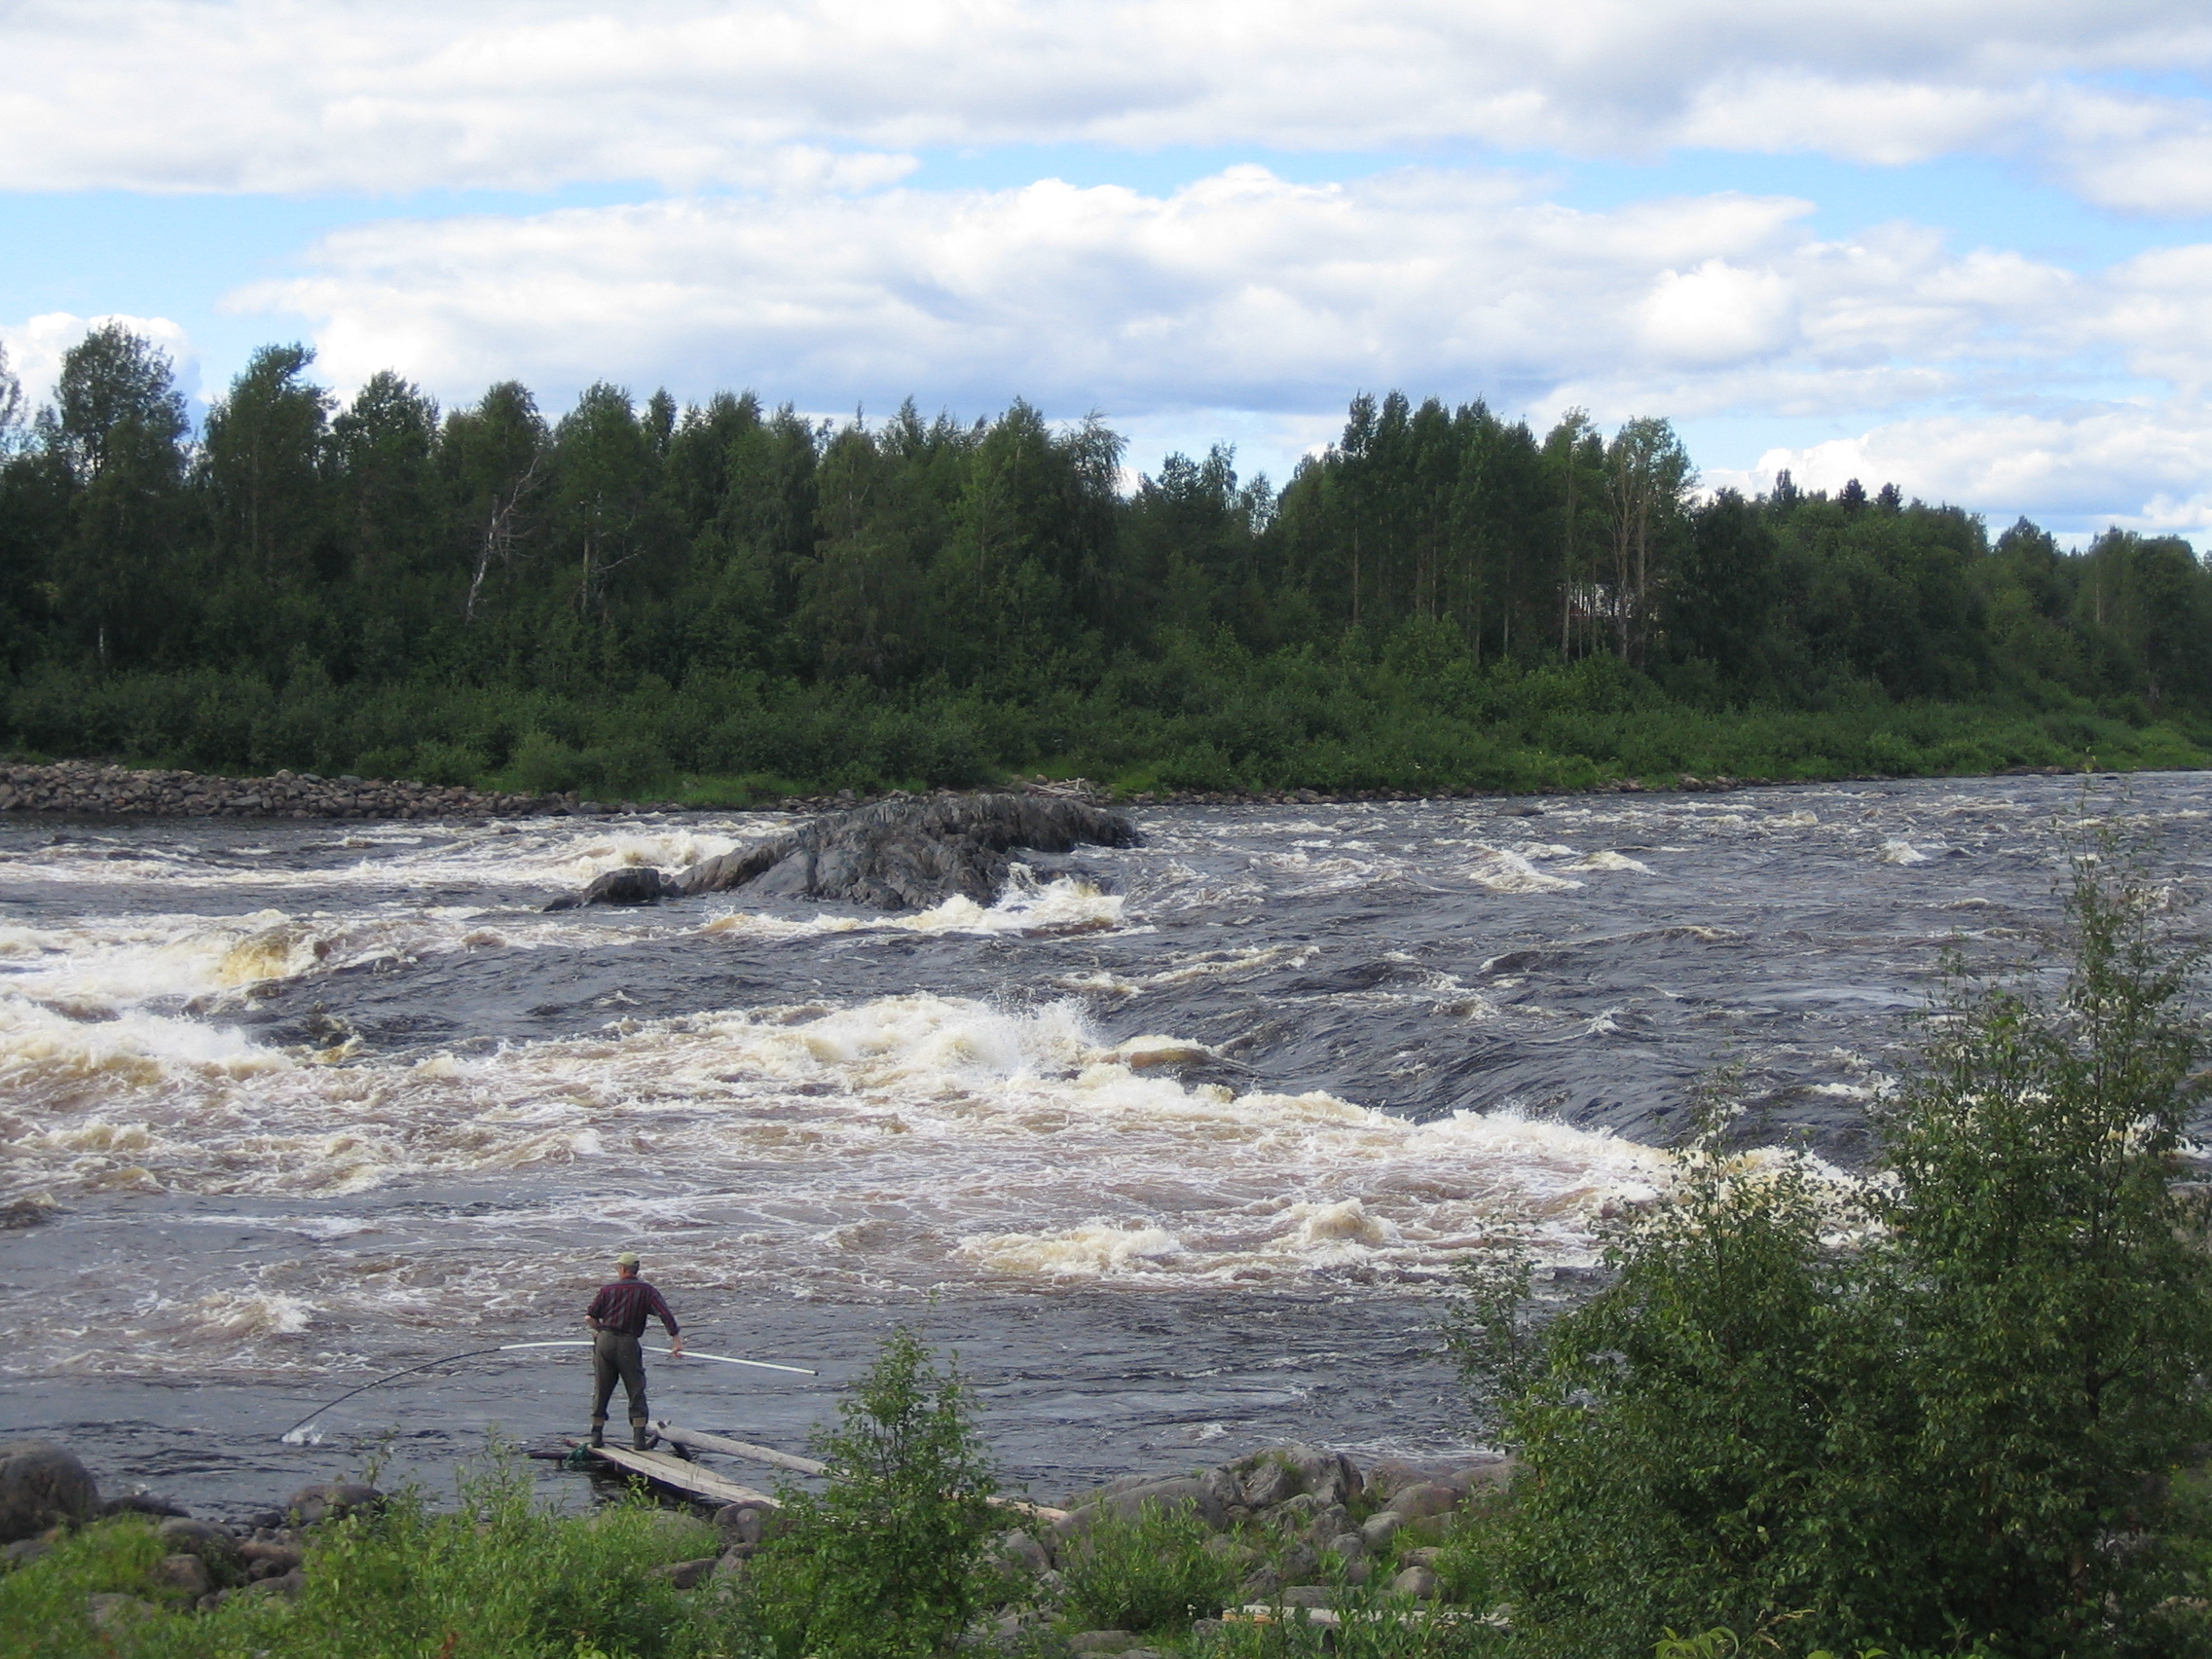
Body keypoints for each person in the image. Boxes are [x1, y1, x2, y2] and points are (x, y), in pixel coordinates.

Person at [584, 1251, 683, 1449]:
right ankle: (638, 1439)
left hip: (604, 1341)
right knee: (635, 1389)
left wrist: (599, 1331)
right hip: (628, 1343)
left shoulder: (607, 1290)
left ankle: (596, 1435)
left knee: (602, 1389)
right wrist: (676, 1341)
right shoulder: (647, 1290)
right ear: (636, 1270)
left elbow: (589, 1317)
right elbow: (664, 1314)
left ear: (622, 1269)